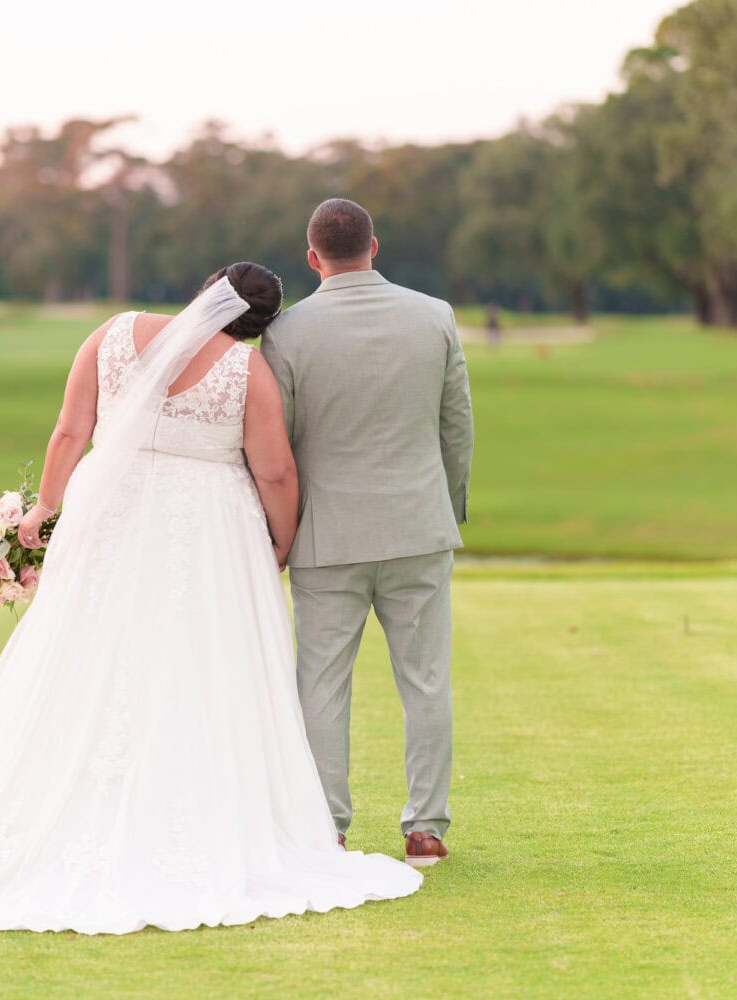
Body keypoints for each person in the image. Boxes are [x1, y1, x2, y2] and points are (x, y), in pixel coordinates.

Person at [0, 263, 421, 935]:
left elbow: (70, 431)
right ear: (261, 325)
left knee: (86, 649)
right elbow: (275, 470)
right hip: (208, 531)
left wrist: (43, 507)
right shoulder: (250, 375)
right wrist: (280, 542)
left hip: (111, 511)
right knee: (194, 665)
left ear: (208, 287)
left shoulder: (113, 334)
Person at [262, 199, 474, 868]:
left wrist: (280, 535)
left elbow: (279, 447)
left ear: (312, 257)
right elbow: (456, 426)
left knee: (321, 684)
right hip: (418, 525)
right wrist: (450, 507)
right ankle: (426, 830)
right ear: (374, 246)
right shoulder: (434, 316)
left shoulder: (287, 333)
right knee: (426, 682)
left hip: (327, 537)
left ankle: (328, 828)